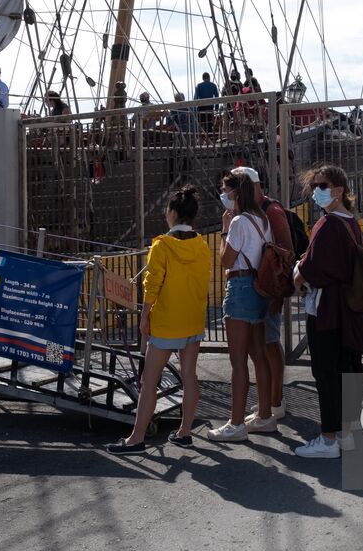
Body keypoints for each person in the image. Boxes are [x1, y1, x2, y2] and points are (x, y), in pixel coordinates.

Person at [108, 186, 210, 454]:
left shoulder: (161, 246)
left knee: (149, 380)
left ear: (173, 213)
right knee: (189, 376)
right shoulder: (202, 245)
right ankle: (184, 431)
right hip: (193, 320)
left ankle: (137, 438)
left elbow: (151, 284)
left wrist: (144, 316)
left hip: (166, 321)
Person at [293, 164, 363, 457]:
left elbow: (314, 268)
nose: (316, 191)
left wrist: (299, 271)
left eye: (322, 186)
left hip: (327, 310)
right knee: (348, 369)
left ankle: (327, 439)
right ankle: (345, 433)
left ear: (339, 191)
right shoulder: (351, 222)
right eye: (314, 186)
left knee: (326, 373)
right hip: (350, 310)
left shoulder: (327, 224)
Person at [206, 170, 276, 441]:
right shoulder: (262, 219)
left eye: (226, 191)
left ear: (236, 193)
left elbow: (226, 260)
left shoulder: (237, 222)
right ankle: (265, 414)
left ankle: (235, 424)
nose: (223, 195)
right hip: (259, 288)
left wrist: (224, 230)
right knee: (259, 354)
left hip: (240, 286)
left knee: (237, 361)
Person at [229, 166, 294, 421]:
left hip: (266, 289)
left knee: (268, 343)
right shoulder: (258, 213)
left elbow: (286, 252)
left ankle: (275, 401)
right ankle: (269, 404)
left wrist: (278, 294)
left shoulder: (271, 212)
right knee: (264, 345)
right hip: (260, 288)